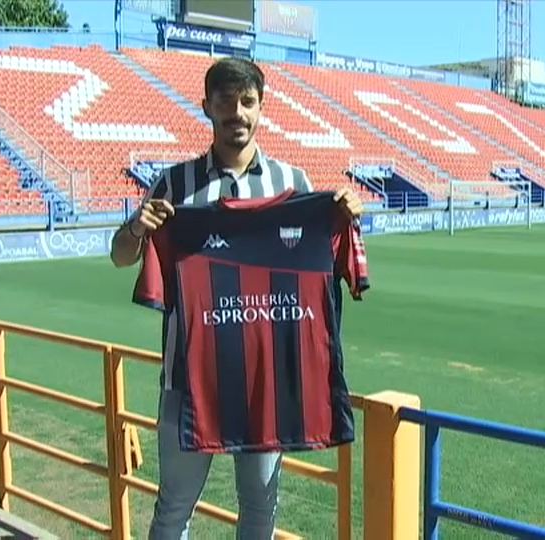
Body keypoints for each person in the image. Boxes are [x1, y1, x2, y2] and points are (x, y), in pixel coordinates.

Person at [109, 57, 364, 540]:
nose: (237, 113)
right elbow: (121, 258)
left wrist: (344, 216)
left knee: (260, 507)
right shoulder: (174, 184)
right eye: (225, 101)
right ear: (206, 106)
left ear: (261, 108)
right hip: (188, 378)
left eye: (247, 101)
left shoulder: (295, 186)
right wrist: (136, 228)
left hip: (264, 380)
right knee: (173, 508)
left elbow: (325, 263)